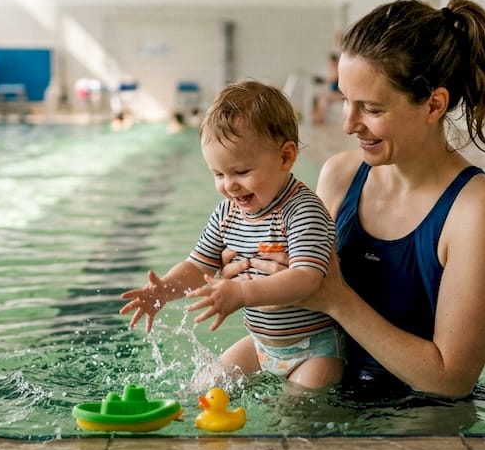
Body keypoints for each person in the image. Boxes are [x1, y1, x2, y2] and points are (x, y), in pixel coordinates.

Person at [226, 0, 485, 400]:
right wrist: (254, 274)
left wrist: (337, 300)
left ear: (434, 104)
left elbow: (451, 380)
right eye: (346, 99)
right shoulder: (341, 176)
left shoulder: (475, 211)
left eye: (371, 108)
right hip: (318, 384)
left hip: (414, 418)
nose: (348, 124)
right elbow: (304, 299)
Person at [119, 80, 344, 390]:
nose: (229, 185)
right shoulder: (227, 213)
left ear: (285, 157)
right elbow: (199, 267)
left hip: (314, 350)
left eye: (241, 172)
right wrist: (164, 291)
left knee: (297, 408)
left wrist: (241, 293)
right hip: (261, 344)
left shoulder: (302, 211)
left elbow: (307, 279)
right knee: (205, 387)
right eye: (218, 174)